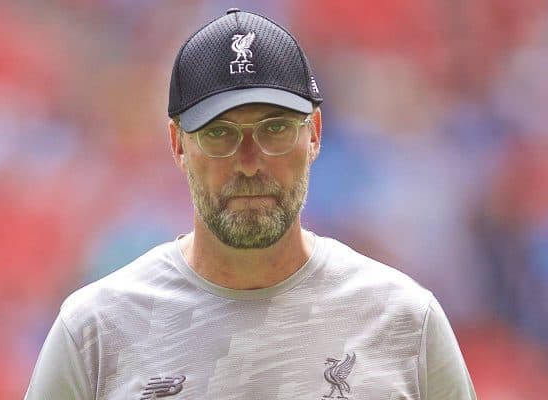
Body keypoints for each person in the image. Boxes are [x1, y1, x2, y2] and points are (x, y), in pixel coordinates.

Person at [25, 8, 476, 400]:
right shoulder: (96, 331)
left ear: (314, 133)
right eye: (219, 133)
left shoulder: (404, 321)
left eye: (275, 129)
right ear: (177, 145)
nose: (248, 162)